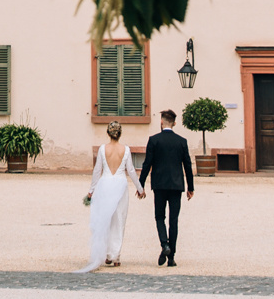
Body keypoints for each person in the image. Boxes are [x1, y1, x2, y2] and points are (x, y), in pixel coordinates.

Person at [136, 108, 195, 267]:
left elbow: (147, 164)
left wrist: (140, 185)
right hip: (176, 185)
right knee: (173, 220)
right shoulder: (181, 141)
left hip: (159, 185)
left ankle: (165, 245)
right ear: (175, 123)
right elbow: (187, 165)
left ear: (161, 122)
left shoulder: (154, 140)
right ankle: (171, 258)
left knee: (159, 217)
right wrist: (191, 187)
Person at [77, 123, 134, 271]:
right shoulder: (126, 149)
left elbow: (97, 171)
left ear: (108, 133)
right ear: (120, 134)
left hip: (105, 185)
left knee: (106, 220)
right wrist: (140, 189)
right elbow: (131, 171)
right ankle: (116, 256)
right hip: (120, 185)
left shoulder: (102, 149)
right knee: (119, 220)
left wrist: (91, 190)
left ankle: (108, 254)